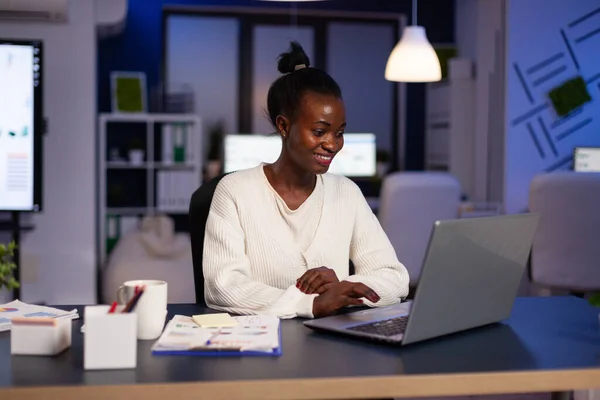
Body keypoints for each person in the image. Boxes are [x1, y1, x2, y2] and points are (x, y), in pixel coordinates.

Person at [202, 41, 409, 319]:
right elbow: (223, 286)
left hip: (333, 347)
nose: (332, 144)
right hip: (263, 348)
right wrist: (309, 304)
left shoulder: (346, 192)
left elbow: (394, 277)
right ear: (284, 126)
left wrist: (343, 288)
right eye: (320, 131)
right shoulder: (235, 191)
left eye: (339, 133)